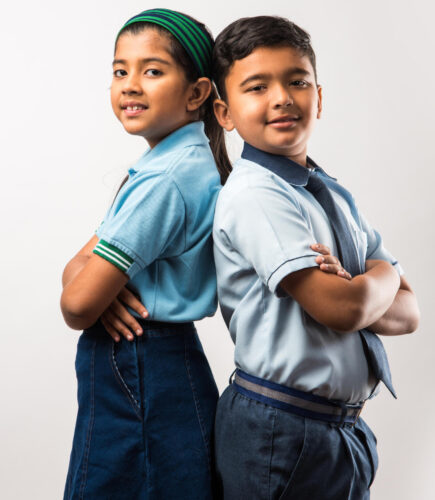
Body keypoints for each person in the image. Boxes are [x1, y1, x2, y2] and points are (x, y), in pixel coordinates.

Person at [211, 15, 420, 499]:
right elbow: (342, 310)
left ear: (319, 98)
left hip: (338, 431)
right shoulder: (255, 195)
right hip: (281, 429)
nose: (282, 97)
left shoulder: (330, 193)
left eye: (297, 81)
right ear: (225, 113)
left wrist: (367, 281)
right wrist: (382, 275)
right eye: (257, 87)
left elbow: (410, 312)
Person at [60, 8, 230, 499]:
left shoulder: (165, 180)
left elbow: (76, 303)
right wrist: (97, 290)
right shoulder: (173, 163)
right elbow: (77, 269)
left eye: (152, 70)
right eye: (120, 70)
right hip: (155, 362)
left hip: (140, 363)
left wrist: (95, 292)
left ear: (197, 92)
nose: (131, 84)